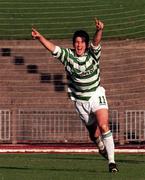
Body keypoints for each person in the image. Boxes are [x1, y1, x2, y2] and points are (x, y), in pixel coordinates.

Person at [31, 18, 119, 173]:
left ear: (86, 44)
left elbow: (97, 42)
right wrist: (40, 37)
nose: (79, 45)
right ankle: (100, 145)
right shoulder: (67, 56)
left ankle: (112, 163)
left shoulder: (93, 55)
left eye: (82, 42)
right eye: (77, 42)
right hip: (80, 101)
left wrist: (99, 30)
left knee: (104, 126)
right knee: (94, 134)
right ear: (73, 44)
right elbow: (53, 48)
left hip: (96, 95)